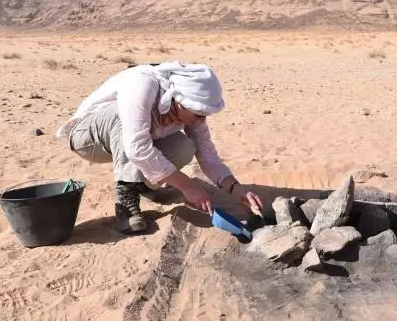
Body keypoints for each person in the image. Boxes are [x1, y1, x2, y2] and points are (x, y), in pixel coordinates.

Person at [56, 61, 263, 234]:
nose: (201, 119)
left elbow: (207, 155)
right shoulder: (143, 84)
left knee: (184, 145)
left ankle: (145, 186)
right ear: (179, 100)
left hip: (125, 142)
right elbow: (136, 147)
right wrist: (186, 185)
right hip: (88, 138)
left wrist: (237, 189)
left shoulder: (191, 112)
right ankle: (125, 200)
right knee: (124, 119)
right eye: (198, 113)